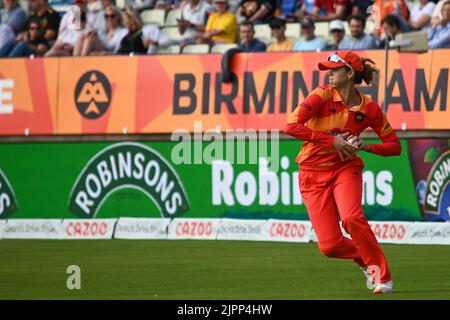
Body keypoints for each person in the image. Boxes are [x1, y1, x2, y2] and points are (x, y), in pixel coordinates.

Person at [284, 50, 401, 294]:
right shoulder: (320, 95)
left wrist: (366, 146)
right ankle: (366, 259)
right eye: (328, 69)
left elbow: (394, 146)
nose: (328, 73)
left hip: (345, 168)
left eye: (334, 69)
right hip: (311, 173)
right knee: (330, 247)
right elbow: (291, 126)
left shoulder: (369, 109)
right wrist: (331, 141)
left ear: (349, 73)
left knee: (351, 218)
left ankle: (382, 276)